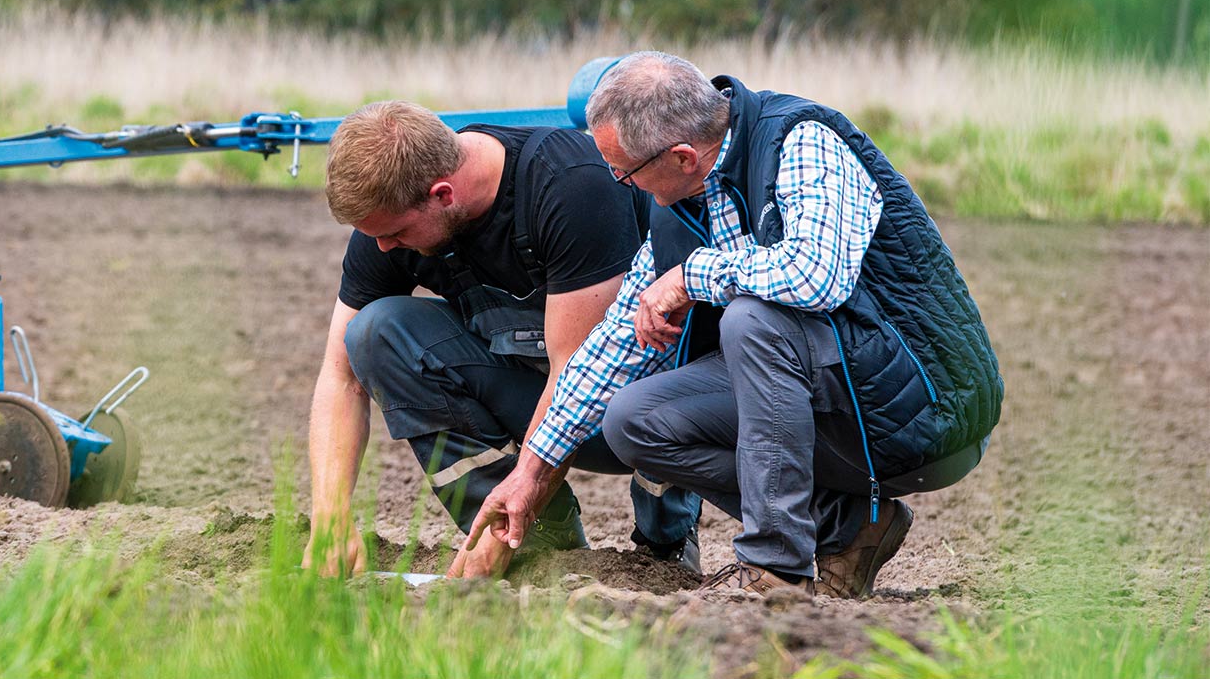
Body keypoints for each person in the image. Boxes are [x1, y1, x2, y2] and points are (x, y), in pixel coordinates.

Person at [466, 52, 1002, 598]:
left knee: (752, 318)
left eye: (623, 171)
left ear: (681, 156)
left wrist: (690, 276)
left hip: (929, 413)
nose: (619, 183)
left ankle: (775, 570)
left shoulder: (801, 141)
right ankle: (849, 526)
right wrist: (530, 472)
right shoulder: (678, 199)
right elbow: (615, 344)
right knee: (633, 419)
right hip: (830, 401)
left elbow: (816, 276)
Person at [304, 100, 703, 580]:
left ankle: (666, 545)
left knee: (651, 384)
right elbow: (339, 376)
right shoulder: (392, 214)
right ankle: (535, 545)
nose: (383, 247)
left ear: (443, 194)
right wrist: (330, 518)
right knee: (372, 332)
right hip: (532, 387)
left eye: (395, 233)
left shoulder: (567, 185)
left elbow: (576, 376)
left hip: (623, 409)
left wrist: (505, 525)